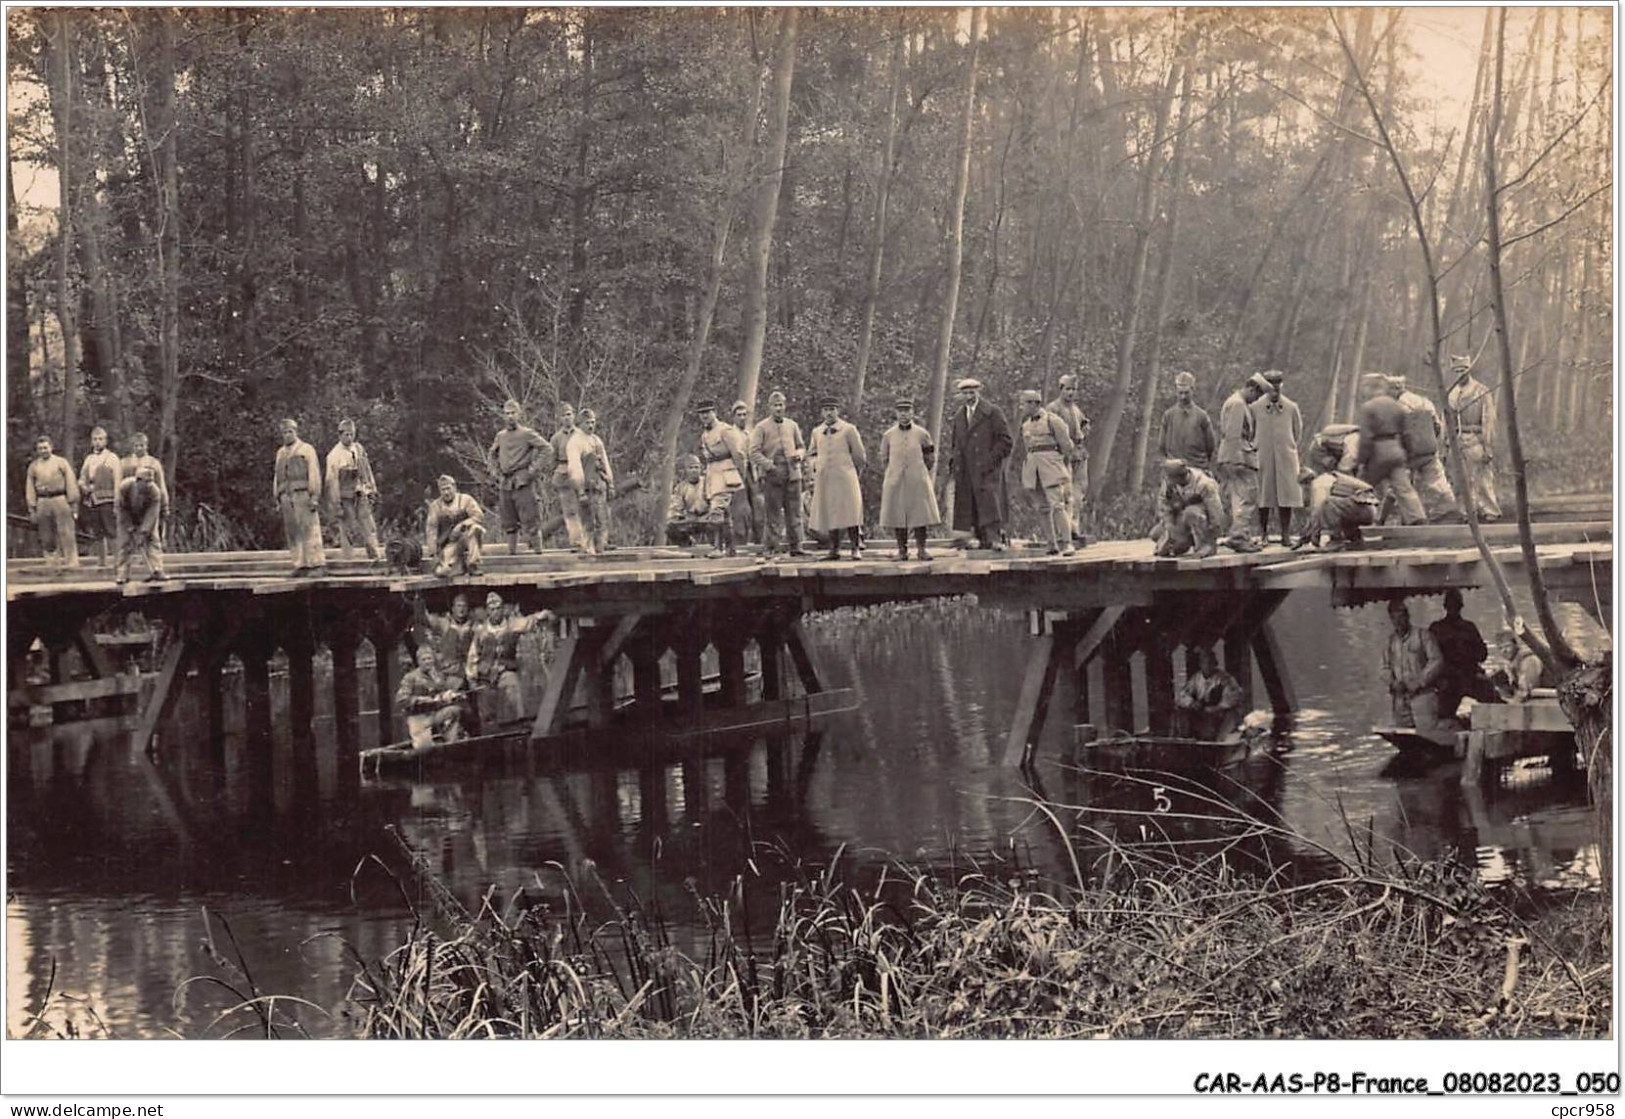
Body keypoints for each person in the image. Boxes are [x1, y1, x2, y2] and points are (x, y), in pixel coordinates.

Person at [466, 591, 553, 727]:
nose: (495, 612)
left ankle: (517, 721)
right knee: (484, 697)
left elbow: (528, 622)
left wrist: (543, 615)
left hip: (504, 669)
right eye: (492, 609)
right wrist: (472, 677)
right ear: (488, 611)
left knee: (512, 685)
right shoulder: (481, 631)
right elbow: (473, 656)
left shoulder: (512, 625)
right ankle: (489, 726)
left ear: (502, 609)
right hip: (485, 673)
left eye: (498, 608)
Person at [947, 377, 1013, 551]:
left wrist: (990, 460)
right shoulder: (959, 416)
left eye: (972, 392)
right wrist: (955, 464)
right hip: (966, 469)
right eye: (965, 393)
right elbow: (955, 444)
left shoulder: (992, 412)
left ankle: (995, 539)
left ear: (979, 391)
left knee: (990, 504)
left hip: (987, 469)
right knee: (971, 505)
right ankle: (978, 539)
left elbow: (1006, 441)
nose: (969, 396)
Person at [1389, 374, 1461, 524]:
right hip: (1429, 449)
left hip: (1406, 453)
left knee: (1401, 485)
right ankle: (1449, 510)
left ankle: (1409, 519)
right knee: (1437, 481)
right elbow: (1437, 426)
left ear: (1394, 390)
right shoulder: (1425, 402)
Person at [1354, 373, 1426, 526]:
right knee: (1404, 488)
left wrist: (1361, 461)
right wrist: (1409, 454)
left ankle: (1353, 520)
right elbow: (1407, 434)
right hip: (1396, 450)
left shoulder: (1368, 407)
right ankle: (1417, 518)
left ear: (1370, 388)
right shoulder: (1396, 406)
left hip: (1378, 451)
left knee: (1361, 487)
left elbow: (1365, 437)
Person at [877, 397, 941, 561]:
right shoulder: (888, 435)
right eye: (901, 411)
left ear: (912, 412)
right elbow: (884, 458)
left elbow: (930, 456)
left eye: (907, 411)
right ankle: (902, 551)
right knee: (899, 516)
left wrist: (920, 471)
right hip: (896, 480)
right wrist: (893, 473)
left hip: (917, 479)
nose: (904, 415)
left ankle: (921, 549)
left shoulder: (922, 433)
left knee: (920, 515)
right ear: (896, 413)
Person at [1017, 389, 1077, 556]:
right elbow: (1027, 446)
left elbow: (1067, 446)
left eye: (1024, 403)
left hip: (1051, 466)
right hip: (1033, 468)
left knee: (1057, 505)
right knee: (1042, 507)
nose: (1022, 407)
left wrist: (1059, 464)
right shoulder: (1026, 425)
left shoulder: (1053, 421)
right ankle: (1052, 544)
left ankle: (1067, 543)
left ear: (1034, 403)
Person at [748, 390, 808, 556]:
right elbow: (753, 452)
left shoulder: (792, 425)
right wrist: (768, 465)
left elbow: (802, 446)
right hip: (772, 475)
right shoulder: (761, 427)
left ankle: (796, 546)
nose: (778, 408)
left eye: (781, 405)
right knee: (773, 513)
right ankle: (771, 547)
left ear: (785, 406)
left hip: (793, 473)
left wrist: (799, 455)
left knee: (795, 511)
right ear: (769, 407)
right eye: (775, 405)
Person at [807, 397, 867, 561]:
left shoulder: (848, 430)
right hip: (825, 478)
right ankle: (834, 549)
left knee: (851, 510)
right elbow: (811, 453)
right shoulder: (816, 432)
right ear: (822, 412)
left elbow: (860, 456)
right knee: (830, 511)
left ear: (837, 411)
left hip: (845, 476)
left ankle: (855, 548)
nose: (829, 413)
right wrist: (815, 466)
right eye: (826, 409)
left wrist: (853, 473)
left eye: (832, 409)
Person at [488, 399, 551, 554]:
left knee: (531, 520)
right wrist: (495, 472)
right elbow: (492, 454)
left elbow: (547, 449)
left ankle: (539, 555)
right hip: (505, 482)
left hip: (523, 482)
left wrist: (532, 470)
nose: (510, 416)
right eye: (507, 413)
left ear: (519, 414)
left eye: (513, 413)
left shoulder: (527, 433)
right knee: (509, 522)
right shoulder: (500, 436)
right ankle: (512, 555)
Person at [1215, 373, 1268, 553]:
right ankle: (1238, 537)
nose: (1256, 400)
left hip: (1237, 456)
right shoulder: (1237, 404)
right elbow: (1233, 434)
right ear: (1252, 389)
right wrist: (1234, 460)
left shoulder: (1236, 402)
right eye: (1257, 395)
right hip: (1239, 457)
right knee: (1247, 497)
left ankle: (1241, 535)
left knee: (1240, 498)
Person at [1296, 438, 1380, 551]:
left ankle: (1336, 541)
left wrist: (1312, 539)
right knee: (1339, 508)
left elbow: (1318, 511)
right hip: (1366, 509)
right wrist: (1306, 535)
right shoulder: (1328, 479)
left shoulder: (1319, 484)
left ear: (1306, 483)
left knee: (1329, 505)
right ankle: (1355, 540)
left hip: (1364, 509)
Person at [1446, 354, 1502, 521]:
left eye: (1463, 370)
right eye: (1456, 371)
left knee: (1482, 477)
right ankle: (1466, 511)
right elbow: (1445, 420)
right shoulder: (1451, 393)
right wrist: (1446, 443)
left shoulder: (1481, 391)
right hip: (1456, 441)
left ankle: (1490, 509)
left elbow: (1489, 419)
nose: (1459, 374)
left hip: (1476, 439)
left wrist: (1488, 445)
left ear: (1469, 370)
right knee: (1459, 479)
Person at [272, 419, 328, 576]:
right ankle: (300, 565)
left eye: (290, 431)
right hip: (286, 496)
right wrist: (277, 496)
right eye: (284, 432)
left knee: (310, 529)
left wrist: (315, 495)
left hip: (303, 494)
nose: (288, 435)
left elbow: (314, 473)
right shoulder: (280, 453)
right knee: (293, 531)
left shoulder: (306, 449)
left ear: (296, 432)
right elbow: (277, 476)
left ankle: (317, 565)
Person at [695, 399, 750, 558]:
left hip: (726, 473)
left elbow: (738, 454)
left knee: (716, 510)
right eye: (702, 413)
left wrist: (741, 474)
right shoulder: (705, 434)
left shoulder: (725, 430)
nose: (705, 416)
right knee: (725, 514)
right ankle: (731, 549)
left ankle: (717, 548)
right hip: (713, 474)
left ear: (715, 413)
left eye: (708, 412)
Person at [1254, 370, 1304, 546]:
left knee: (1286, 495)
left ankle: (1285, 533)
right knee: (1263, 495)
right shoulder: (1255, 407)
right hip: (1263, 454)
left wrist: (1287, 447)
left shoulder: (1291, 407)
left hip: (1285, 456)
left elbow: (1297, 432)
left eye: (1277, 389)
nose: (1274, 393)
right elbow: (1251, 430)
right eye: (1271, 389)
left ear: (1281, 387)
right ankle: (1263, 533)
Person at [1381, 599, 1446, 729]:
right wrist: (1393, 683)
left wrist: (1419, 681)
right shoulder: (1390, 642)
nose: (1398, 621)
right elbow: (1384, 668)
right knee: (1404, 736)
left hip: (1423, 697)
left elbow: (1437, 661)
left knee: (1427, 736)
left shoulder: (1423, 635)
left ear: (1407, 616)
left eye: (1401, 616)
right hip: (1400, 700)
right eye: (1394, 618)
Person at [324, 418, 382, 561]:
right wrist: (336, 504)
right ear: (340, 435)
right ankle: (348, 560)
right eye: (346, 435)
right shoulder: (334, 455)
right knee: (347, 529)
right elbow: (331, 482)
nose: (349, 437)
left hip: (360, 492)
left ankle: (375, 556)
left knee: (368, 525)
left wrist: (372, 489)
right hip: (345, 497)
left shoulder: (359, 448)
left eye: (352, 434)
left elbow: (367, 470)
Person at [1429, 588, 1491, 717]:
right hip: (1449, 679)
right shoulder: (1438, 628)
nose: (1453, 609)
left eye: (1454, 605)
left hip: (1466, 677)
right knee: (1444, 709)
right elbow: (1430, 658)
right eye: (1452, 605)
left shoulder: (1468, 628)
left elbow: (1483, 654)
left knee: (1489, 693)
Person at [1046, 374, 1091, 543]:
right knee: (1063, 494)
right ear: (1061, 389)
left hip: (1079, 455)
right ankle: (1062, 531)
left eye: (1073, 389)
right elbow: (1048, 431)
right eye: (1068, 389)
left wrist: (1085, 429)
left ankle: (1074, 527)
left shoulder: (1076, 409)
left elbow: (1084, 423)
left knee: (1079, 492)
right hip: (1061, 456)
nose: (1071, 393)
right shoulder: (1053, 409)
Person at [397, 645, 469, 750]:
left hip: (435, 714)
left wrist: (451, 695)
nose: (427, 662)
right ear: (418, 661)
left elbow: (442, 695)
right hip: (418, 717)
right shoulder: (410, 678)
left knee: (454, 710)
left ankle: (451, 743)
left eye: (429, 658)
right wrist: (421, 700)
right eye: (424, 659)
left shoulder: (438, 677)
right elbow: (401, 699)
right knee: (424, 750)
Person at [27, 435, 81, 569]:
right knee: (46, 534)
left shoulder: (61, 462)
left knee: (66, 532)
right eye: (40, 448)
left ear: (51, 447)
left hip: (60, 498)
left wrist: (73, 503)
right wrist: (32, 508)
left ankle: (71, 562)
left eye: (45, 447)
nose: (43, 450)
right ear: (37, 450)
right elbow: (30, 488)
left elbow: (71, 482)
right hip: (43, 500)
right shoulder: (34, 466)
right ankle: (51, 563)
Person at [1155, 458, 1223, 559]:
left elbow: (1216, 512)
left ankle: (1204, 546)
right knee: (1155, 534)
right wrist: (1169, 526)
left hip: (1201, 520)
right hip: (1180, 519)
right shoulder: (1169, 485)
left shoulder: (1204, 484)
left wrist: (1213, 536)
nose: (1168, 480)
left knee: (1191, 513)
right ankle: (1183, 542)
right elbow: (1164, 505)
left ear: (1179, 477)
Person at [1174, 646, 1245, 741]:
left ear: (1215, 663)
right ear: (1200, 664)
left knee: (1231, 715)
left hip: (1221, 713)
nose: (1207, 665)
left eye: (1210, 663)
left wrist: (1218, 707)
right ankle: (1186, 739)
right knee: (1182, 713)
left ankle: (1220, 741)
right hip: (1203, 712)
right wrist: (1191, 703)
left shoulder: (1225, 678)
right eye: (1204, 663)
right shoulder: (1196, 678)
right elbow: (1183, 695)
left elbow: (1234, 696)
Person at [568, 408, 613, 555]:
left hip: (600, 487)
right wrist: (580, 491)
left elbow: (605, 463)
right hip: (587, 489)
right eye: (587, 423)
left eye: (593, 422)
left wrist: (610, 483)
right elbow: (575, 468)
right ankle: (589, 550)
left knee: (603, 520)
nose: (591, 426)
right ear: (580, 423)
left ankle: (601, 548)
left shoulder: (596, 440)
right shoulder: (575, 442)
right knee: (588, 523)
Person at [113, 464, 167, 585]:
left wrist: (143, 532)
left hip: (145, 515)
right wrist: (130, 528)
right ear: (138, 480)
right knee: (125, 543)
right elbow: (122, 509)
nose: (149, 484)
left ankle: (156, 569)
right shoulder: (125, 487)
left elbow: (152, 514)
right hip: (126, 514)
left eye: (151, 481)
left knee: (153, 540)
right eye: (146, 482)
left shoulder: (155, 492)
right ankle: (122, 573)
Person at [425, 473, 485, 577]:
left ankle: (473, 564)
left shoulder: (466, 499)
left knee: (476, 529)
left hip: (466, 537)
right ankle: (459, 567)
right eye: (443, 490)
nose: (446, 492)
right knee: (441, 572)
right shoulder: (435, 506)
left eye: (448, 488)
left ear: (454, 487)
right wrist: (433, 553)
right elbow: (431, 530)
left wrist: (463, 525)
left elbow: (479, 516)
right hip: (449, 542)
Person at [78, 426, 122, 567]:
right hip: (93, 500)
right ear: (91, 441)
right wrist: (84, 487)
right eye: (95, 439)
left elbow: (118, 481)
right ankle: (101, 562)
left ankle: (118, 562)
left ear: (106, 441)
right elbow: (81, 479)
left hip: (108, 500)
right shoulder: (89, 459)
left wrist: (117, 502)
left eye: (100, 439)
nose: (97, 442)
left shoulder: (112, 458)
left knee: (111, 531)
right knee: (98, 532)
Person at [419, 592, 478, 692]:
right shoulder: (444, 623)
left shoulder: (474, 626)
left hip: (470, 668)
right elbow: (426, 620)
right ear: (453, 608)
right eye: (458, 606)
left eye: (464, 606)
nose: (461, 609)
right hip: (451, 670)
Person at [1159, 370, 1217, 470]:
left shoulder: (1202, 416)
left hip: (1197, 468)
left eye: (1186, 393)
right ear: (1176, 391)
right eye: (1180, 393)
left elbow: (1210, 446)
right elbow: (1161, 445)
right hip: (1174, 470)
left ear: (1193, 390)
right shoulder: (1168, 415)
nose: (1183, 396)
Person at [547, 403, 585, 549]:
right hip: (564, 474)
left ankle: (592, 541)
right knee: (570, 511)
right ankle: (576, 542)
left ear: (574, 415)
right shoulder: (556, 438)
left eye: (569, 414)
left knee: (587, 508)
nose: (567, 418)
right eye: (564, 415)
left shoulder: (581, 435)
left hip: (582, 472)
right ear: (559, 418)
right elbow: (552, 460)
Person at [729, 400, 764, 545]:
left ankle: (760, 542)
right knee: (741, 512)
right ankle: (740, 544)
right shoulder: (730, 434)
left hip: (752, 474)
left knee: (759, 508)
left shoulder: (750, 433)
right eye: (739, 415)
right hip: (738, 475)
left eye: (744, 415)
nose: (742, 418)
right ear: (733, 417)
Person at [1488, 627, 1546, 703]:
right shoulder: (1510, 663)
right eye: (1500, 648)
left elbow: (1525, 691)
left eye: (1507, 646)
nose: (1504, 651)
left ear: (1516, 645)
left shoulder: (1529, 661)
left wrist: (1509, 705)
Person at [666, 454, 711, 546]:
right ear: (685, 470)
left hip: (708, 518)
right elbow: (676, 508)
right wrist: (679, 518)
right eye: (691, 468)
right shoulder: (680, 487)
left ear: (701, 468)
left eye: (696, 467)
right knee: (671, 528)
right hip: (691, 519)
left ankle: (717, 547)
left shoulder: (709, 484)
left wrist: (707, 516)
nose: (694, 470)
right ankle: (687, 546)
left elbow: (716, 503)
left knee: (719, 523)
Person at [119, 432, 169, 508]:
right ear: (132, 447)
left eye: (141, 445)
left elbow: (161, 485)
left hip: (149, 502)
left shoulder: (154, 463)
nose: (139, 448)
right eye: (136, 446)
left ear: (146, 446)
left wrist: (165, 505)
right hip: (128, 503)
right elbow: (119, 485)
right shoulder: (124, 463)